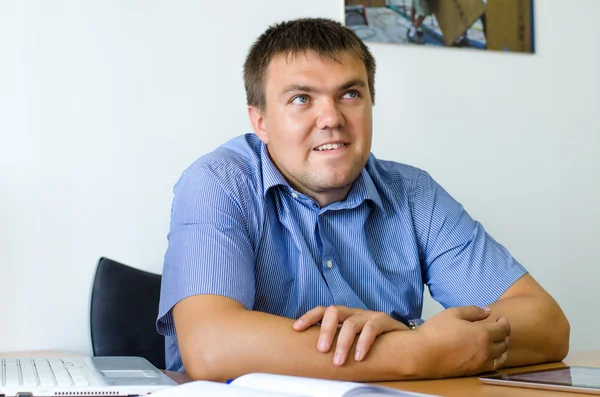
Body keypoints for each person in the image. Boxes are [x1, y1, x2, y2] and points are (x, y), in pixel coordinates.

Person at [157, 18, 569, 382]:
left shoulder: (413, 192)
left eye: (350, 94)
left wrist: (412, 335)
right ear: (260, 121)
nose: (332, 118)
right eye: (301, 98)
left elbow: (547, 324)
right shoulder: (217, 182)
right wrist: (418, 353)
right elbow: (211, 347)